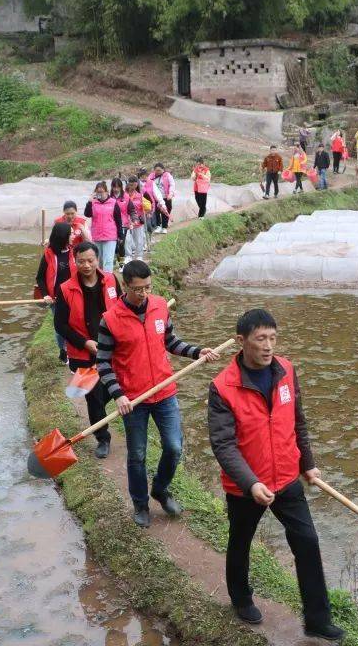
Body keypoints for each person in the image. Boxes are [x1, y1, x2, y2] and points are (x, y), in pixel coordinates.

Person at [207, 309, 345, 642]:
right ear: (241, 342)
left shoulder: (286, 370)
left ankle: (317, 619)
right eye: (260, 339)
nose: (268, 346)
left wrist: (307, 463)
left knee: (307, 543)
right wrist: (250, 482)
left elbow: (297, 421)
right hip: (246, 486)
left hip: (286, 477)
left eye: (273, 338)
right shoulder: (223, 387)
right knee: (241, 542)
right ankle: (241, 598)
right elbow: (223, 445)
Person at [96, 260, 220, 527]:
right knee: (137, 454)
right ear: (126, 287)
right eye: (138, 289)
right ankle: (140, 505)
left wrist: (197, 352)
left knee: (174, 448)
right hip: (133, 400)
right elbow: (103, 362)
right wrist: (118, 394)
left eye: (148, 288)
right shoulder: (110, 320)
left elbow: (171, 342)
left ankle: (160, 490)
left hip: (164, 392)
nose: (144, 294)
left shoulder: (160, 306)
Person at [54, 241, 121, 458]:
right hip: (83, 354)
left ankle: (101, 411)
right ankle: (103, 438)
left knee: (103, 393)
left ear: (97, 260)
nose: (86, 265)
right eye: (81, 261)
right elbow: (60, 325)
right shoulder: (66, 288)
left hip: (112, 349)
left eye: (90, 260)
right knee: (92, 397)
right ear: (75, 261)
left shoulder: (110, 280)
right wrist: (85, 343)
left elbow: (121, 309)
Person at [35, 221, 77, 364]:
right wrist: (46, 294)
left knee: (73, 324)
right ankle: (63, 350)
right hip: (55, 299)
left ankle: (73, 350)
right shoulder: (48, 254)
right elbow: (40, 277)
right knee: (60, 326)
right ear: (63, 236)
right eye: (71, 233)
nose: (74, 235)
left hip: (72, 295)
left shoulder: (73, 251)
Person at [84, 181, 122, 273]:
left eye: (102, 192)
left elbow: (118, 220)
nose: (100, 194)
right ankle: (100, 280)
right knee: (99, 261)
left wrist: (120, 235)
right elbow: (87, 214)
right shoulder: (93, 203)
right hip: (97, 235)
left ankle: (108, 281)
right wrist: (89, 201)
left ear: (107, 192)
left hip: (110, 236)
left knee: (108, 261)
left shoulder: (113, 203)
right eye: (98, 192)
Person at [123, 177, 146, 263]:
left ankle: (139, 255)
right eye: (130, 185)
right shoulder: (123, 196)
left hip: (137, 221)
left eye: (133, 185)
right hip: (126, 222)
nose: (132, 187)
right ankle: (128, 256)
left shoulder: (140, 196)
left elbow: (147, 206)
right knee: (127, 240)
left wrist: (147, 211)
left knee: (139, 240)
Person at [149, 163, 175, 233]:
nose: (158, 172)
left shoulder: (167, 175)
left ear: (163, 170)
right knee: (156, 212)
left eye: (159, 170)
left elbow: (172, 184)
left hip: (166, 197)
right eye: (156, 170)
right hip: (155, 198)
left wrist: (171, 193)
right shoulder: (151, 176)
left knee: (165, 212)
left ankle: (164, 227)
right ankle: (158, 226)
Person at [110, 177, 127, 264]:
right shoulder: (109, 198)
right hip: (112, 225)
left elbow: (131, 210)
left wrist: (134, 218)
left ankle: (121, 264)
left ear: (121, 187)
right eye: (114, 187)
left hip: (123, 225)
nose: (116, 189)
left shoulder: (125, 197)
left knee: (121, 245)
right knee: (114, 245)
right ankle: (114, 261)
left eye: (118, 187)